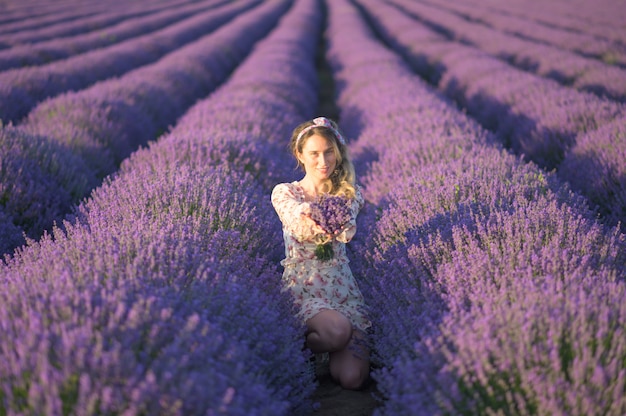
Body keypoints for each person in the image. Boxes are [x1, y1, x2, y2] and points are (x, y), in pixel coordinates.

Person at [271, 116, 371, 390]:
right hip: (304, 288)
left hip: (342, 290)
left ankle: (326, 349)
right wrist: (318, 217)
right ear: (299, 155)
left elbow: (344, 227)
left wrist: (330, 216)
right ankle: (301, 345)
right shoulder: (285, 192)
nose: (323, 161)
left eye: (329, 152)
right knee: (338, 332)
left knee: (353, 379)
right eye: (314, 153)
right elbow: (296, 220)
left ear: (337, 153)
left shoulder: (349, 193)